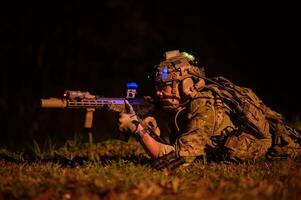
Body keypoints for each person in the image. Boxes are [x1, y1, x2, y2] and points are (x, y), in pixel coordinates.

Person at [118, 50, 301, 170]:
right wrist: (150, 129)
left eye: (164, 86)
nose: (158, 92)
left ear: (185, 85)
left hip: (277, 149)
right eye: (157, 86)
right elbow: (172, 149)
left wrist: (137, 128)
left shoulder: (203, 104)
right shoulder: (180, 105)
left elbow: (175, 160)